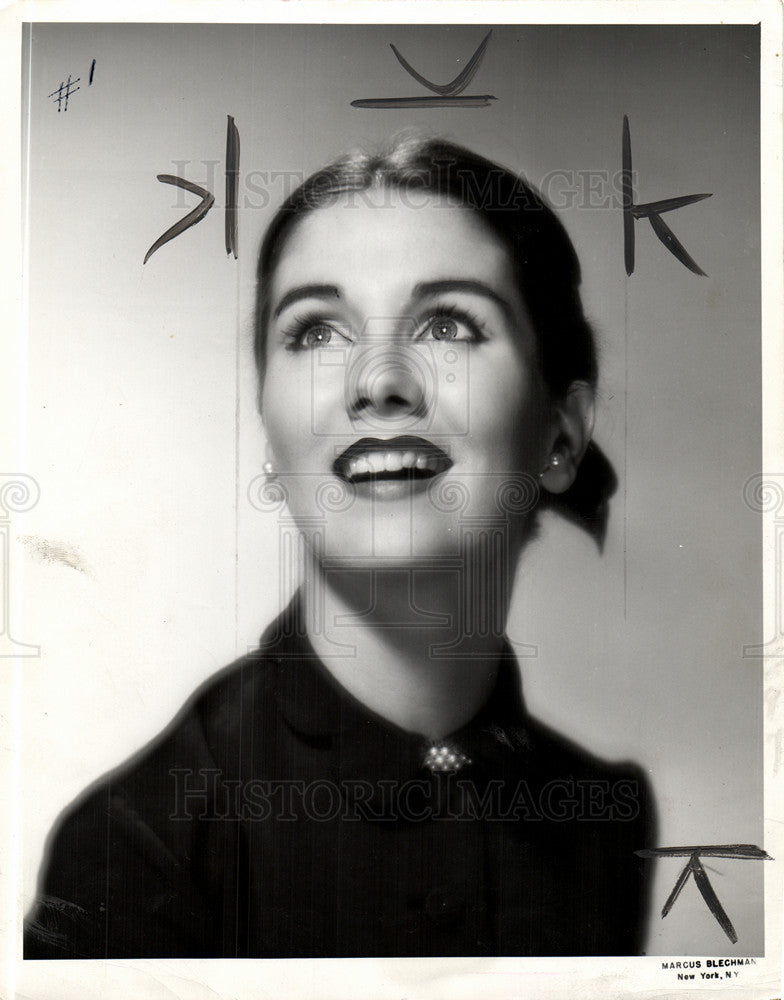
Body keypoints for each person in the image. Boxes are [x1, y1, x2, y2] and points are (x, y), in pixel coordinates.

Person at [24, 134, 655, 959]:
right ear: (270, 437)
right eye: (317, 332)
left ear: (562, 436)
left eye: (449, 324)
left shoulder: (605, 818)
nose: (377, 379)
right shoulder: (142, 846)